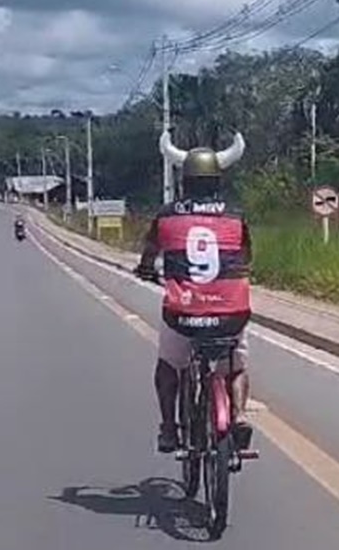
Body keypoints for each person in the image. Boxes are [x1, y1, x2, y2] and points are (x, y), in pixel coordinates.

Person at [135, 130, 253, 454]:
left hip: (183, 314)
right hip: (230, 314)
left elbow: (150, 251)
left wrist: (146, 268)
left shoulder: (167, 215)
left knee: (168, 367)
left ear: (184, 181)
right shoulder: (235, 215)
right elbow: (246, 257)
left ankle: (169, 428)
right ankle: (240, 415)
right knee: (236, 367)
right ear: (218, 181)